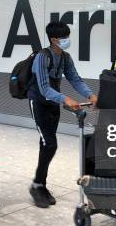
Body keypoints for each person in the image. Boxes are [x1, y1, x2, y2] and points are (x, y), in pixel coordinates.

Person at [27, 21, 97, 208]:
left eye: (68, 36)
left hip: (53, 104)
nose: (67, 40)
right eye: (63, 37)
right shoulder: (42, 57)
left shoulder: (65, 57)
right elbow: (43, 89)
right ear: (53, 39)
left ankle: (40, 184)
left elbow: (75, 78)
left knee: (47, 145)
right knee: (50, 143)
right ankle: (37, 184)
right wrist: (65, 99)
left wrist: (90, 94)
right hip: (39, 103)